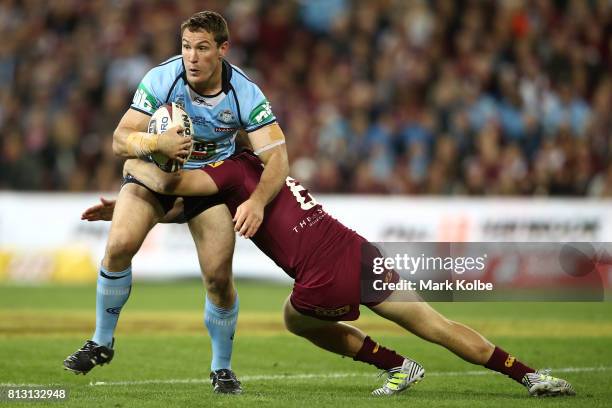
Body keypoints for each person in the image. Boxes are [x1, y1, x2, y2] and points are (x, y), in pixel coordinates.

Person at [85, 153, 576, 397]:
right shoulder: (256, 166)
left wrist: (136, 164)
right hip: (353, 248)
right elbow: (191, 205)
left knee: (295, 319)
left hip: (320, 272)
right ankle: (532, 376)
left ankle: (396, 365)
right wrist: (130, 213)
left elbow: (172, 183)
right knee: (439, 326)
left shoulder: (230, 170)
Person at [62, 11, 289, 395]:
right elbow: (120, 139)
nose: (192, 57)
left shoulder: (244, 92)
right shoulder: (162, 78)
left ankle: (221, 368)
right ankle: (101, 341)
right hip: (157, 177)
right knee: (118, 246)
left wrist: (258, 202)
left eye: (202, 48)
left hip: (210, 184)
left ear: (223, 50)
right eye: (186, 47)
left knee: (218, 278)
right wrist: (156, 144)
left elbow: (278, 157)